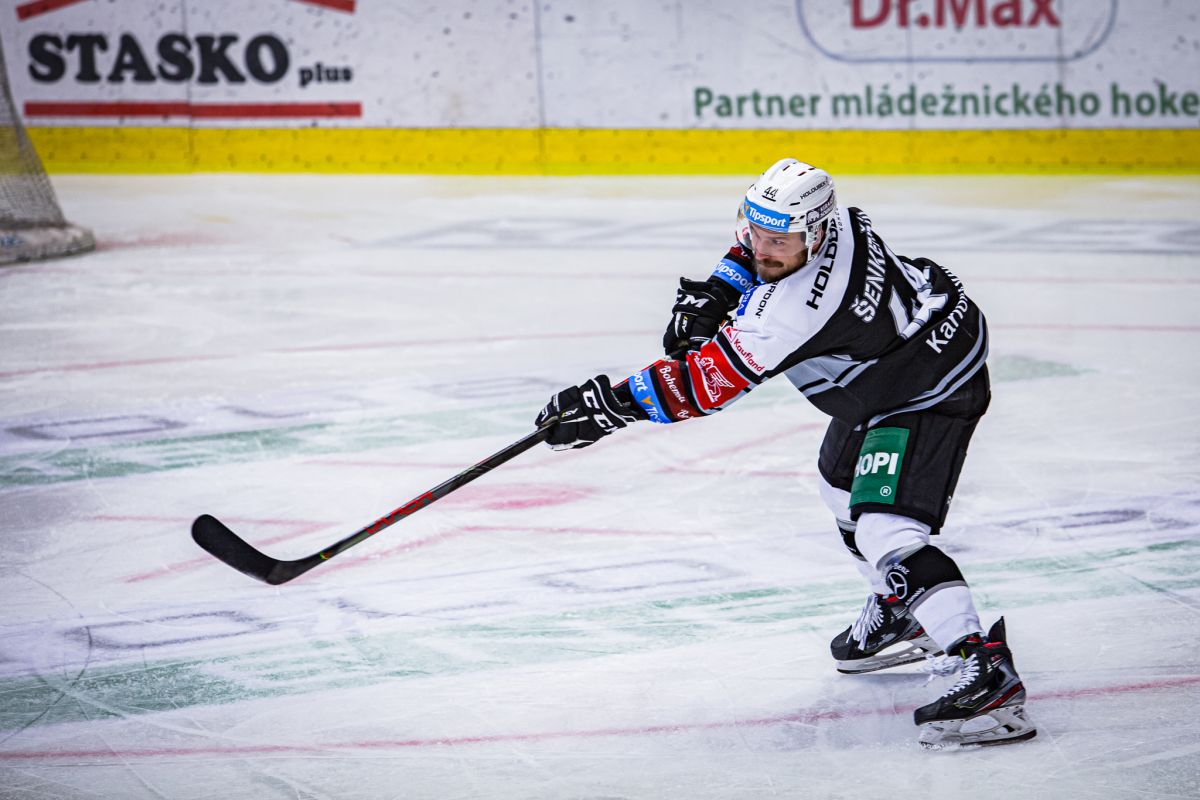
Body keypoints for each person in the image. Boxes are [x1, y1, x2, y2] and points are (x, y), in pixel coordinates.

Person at [535, 158, 1036, 749]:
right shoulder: (824, 223)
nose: (764, 249)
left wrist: (607, 406)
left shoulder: (798, 311)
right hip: (895, 360)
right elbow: (755, 252)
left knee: (886, 529)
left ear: (815, 235)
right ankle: (902, 609)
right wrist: (720, 291)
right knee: (839, 489)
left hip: (928, 385)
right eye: (758, 232)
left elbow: (703, 385)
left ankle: (982, 668)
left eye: (781, 241)